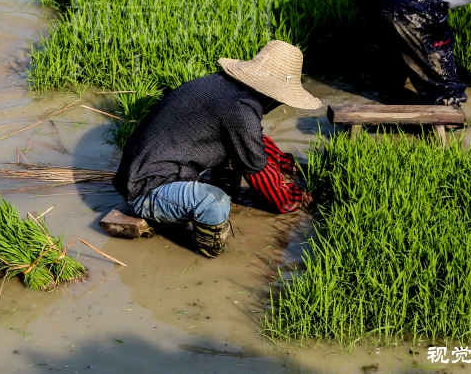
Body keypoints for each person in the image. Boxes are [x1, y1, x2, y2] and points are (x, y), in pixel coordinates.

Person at [112, 40, 322, 259]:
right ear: (273, 96)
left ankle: (220, 196)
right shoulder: (241, 110)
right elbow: (260, 173)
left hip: (148, 169)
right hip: (147, 189)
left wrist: (289, 166)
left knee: (238, 151)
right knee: (215, 202)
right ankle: (206, 252)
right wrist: (293, 198)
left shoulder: (223, 87)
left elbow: (254, 144)